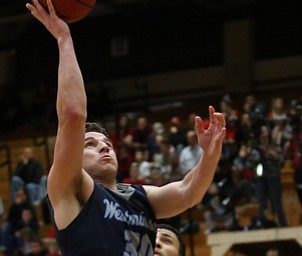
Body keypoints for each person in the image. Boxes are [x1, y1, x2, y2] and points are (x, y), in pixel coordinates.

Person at [25, 0, 226, 255]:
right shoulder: (73, 190)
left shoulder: (141, 198)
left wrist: (210, 156)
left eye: (107, 144)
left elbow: (188, 193)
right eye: (90, 144)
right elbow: (73, 115)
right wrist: (64, 38)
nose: (103, 147)